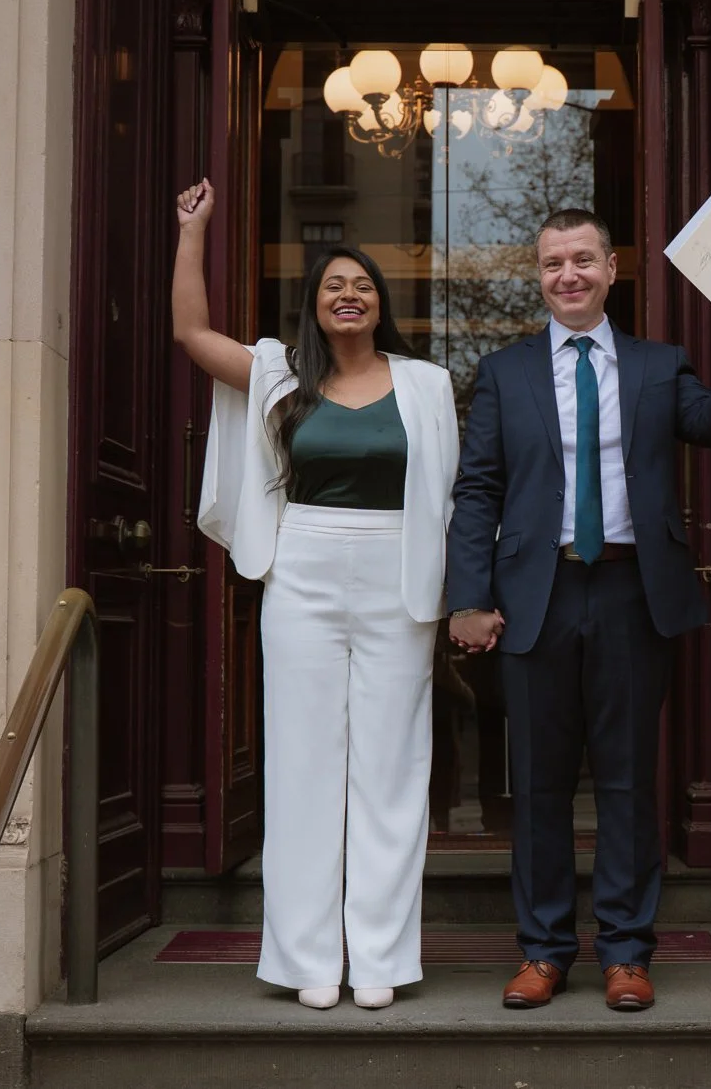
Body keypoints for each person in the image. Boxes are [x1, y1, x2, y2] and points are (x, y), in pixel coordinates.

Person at [445, 208, 711, 1012]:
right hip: (539, 594)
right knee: (537, 784)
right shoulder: (505, 372)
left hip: (635, 593)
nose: (567, 275)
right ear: (538, 277)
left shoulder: (656, 364)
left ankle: (629, 953)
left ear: (611, 269)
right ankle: (544, 951)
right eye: (551, 264)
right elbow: (479, 490)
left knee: (630, 782)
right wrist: (469, 596)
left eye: (582, 261)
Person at [176, 179, 460, 1011]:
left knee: (392, 770)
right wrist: (193, 232)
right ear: (315, 304)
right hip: (302, 566)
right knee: (302, 765)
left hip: (397, 575)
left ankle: (378, 958)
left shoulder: (427, 385)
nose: (349, 293)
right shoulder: (276, 372)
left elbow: (446, 494)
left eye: (363, 285)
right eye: (334, 284)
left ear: (380, 306)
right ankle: (307, 961)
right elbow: (191, 333)